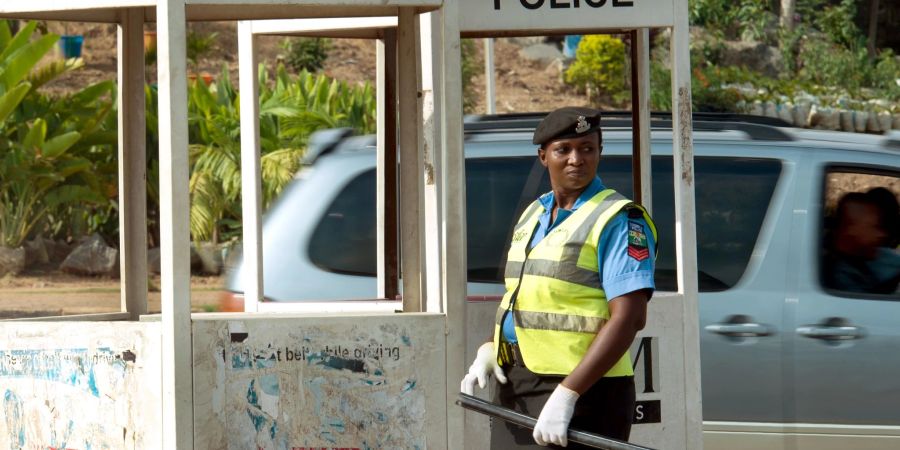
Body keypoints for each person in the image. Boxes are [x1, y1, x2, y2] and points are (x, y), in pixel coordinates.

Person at [460, 107, 657, 448]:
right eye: (563, 149)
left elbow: (630, 318)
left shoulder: (619, 218)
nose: (576, 159)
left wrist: (568, 394)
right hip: (518, 383)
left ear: (599, 152)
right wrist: (492, 346)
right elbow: (524, 296)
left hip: (586, 390)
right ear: (543, 156)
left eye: (587, 148)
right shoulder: (534, 213)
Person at [825, 191, 900, 294]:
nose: (882, 235)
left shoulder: (879, 255)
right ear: (850, 229)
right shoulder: (841, 276)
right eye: (874, 227)